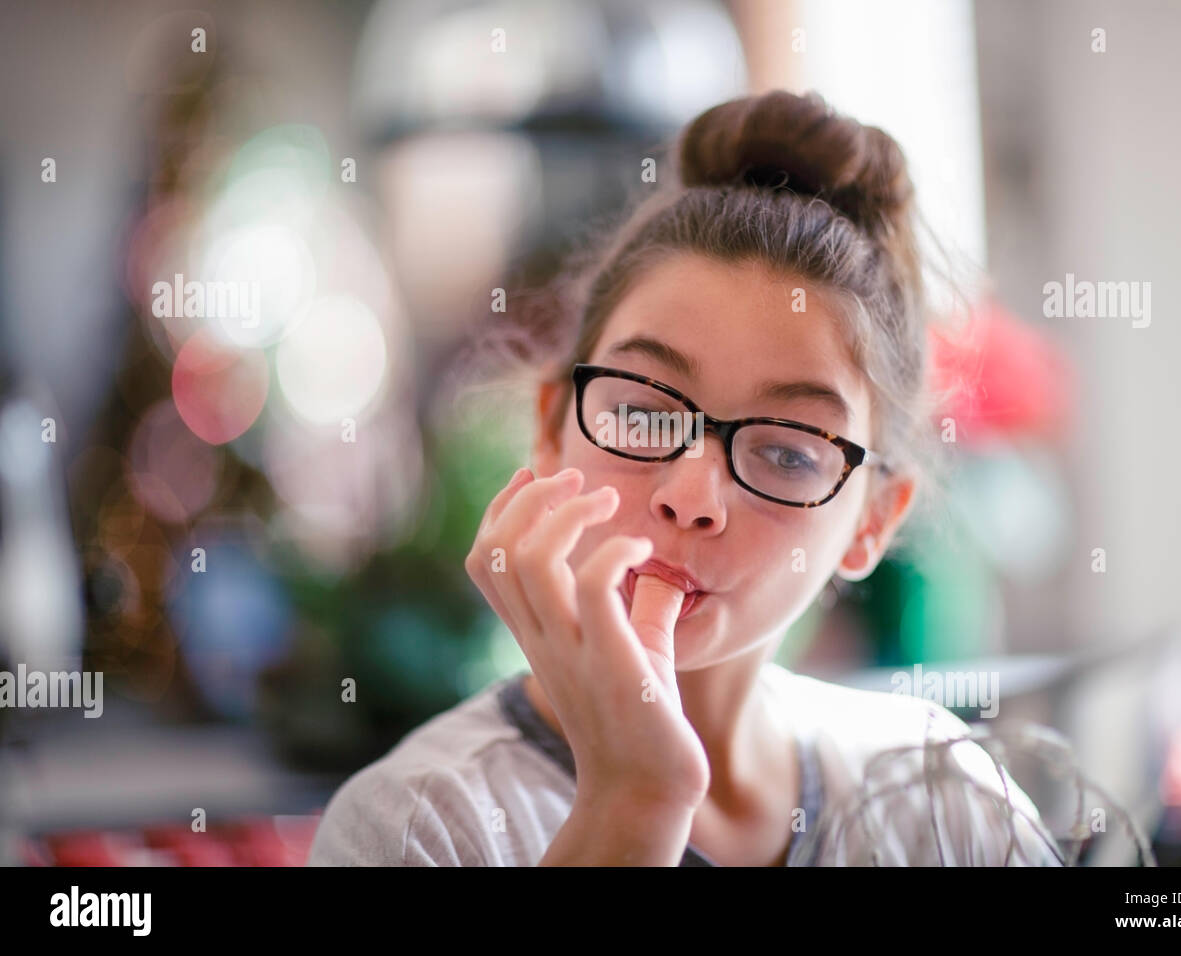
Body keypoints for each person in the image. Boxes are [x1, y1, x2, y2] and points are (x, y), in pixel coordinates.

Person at [309, 89, 1061, 867]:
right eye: (642, 415)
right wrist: (631, 805)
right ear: (549, 426)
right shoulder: (418, 828)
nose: (692, 498)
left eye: (787, 451)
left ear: (874, 520)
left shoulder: (945, 806)